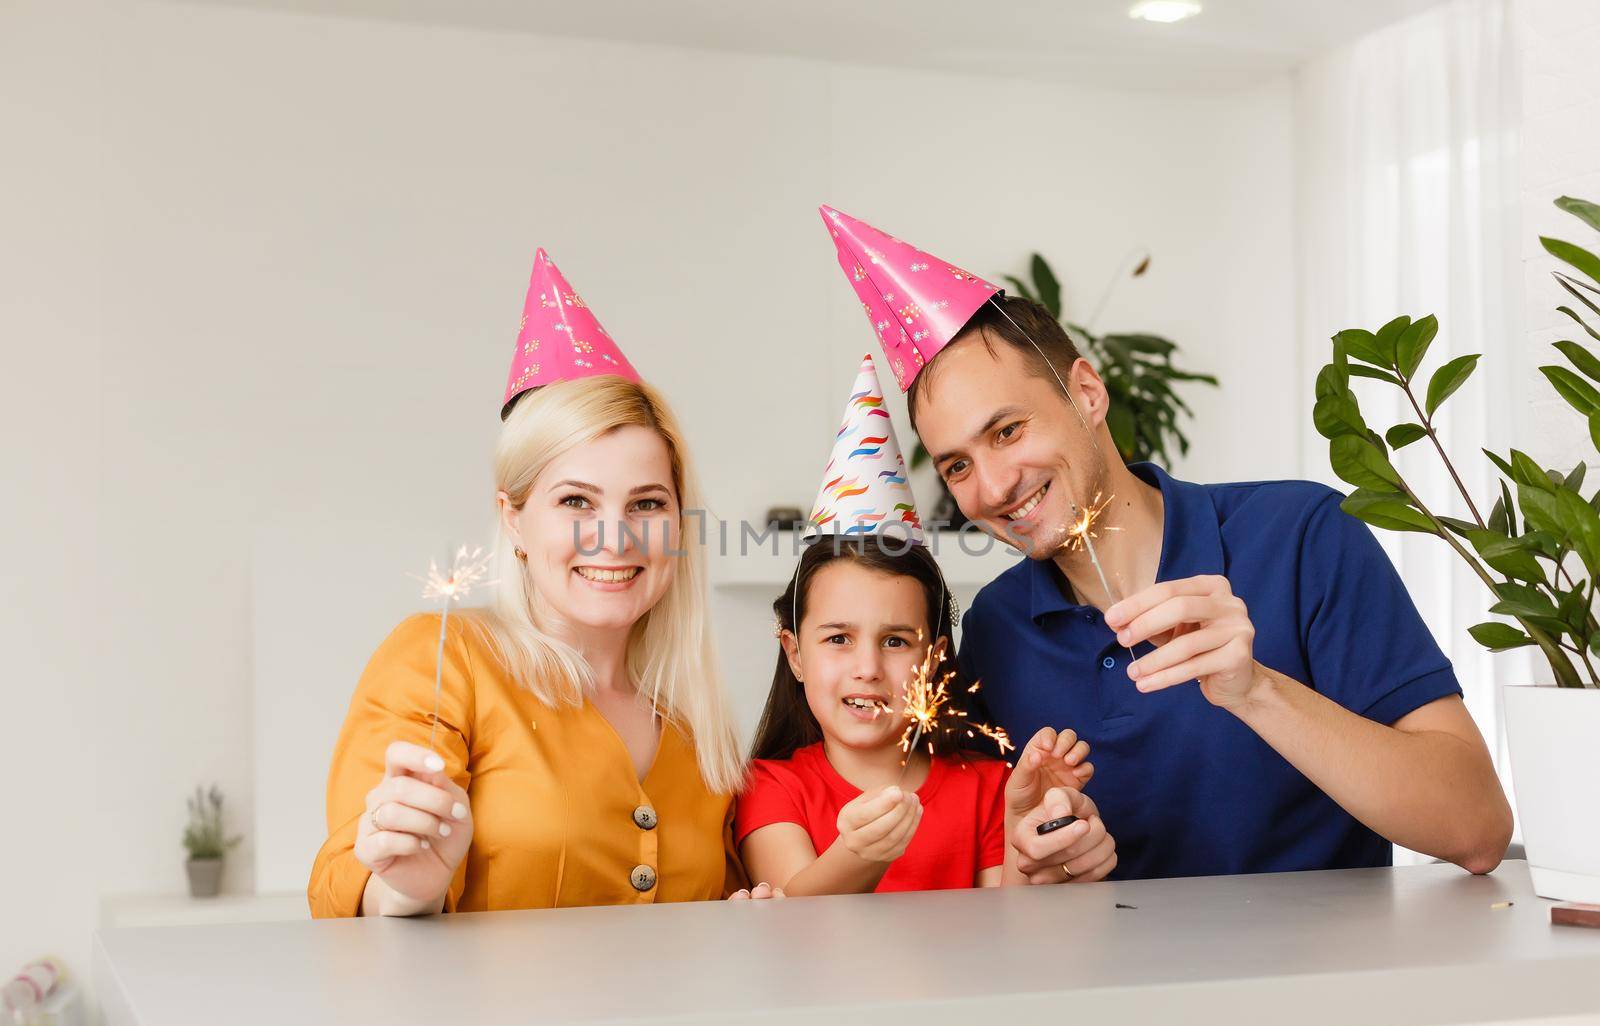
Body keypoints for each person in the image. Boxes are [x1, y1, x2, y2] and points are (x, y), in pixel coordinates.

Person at [817, 206, 1513, 880]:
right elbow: (994, 881)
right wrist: (1037, 857)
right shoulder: (996, 631)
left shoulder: (1302, 537)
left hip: (1322, 995)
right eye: (957, 465)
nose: (994, 486)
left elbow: (1477, 829)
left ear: (1087, 392)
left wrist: (1257, 690)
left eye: (1008, 431)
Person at [308, 249, 754, 916]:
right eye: (576, 501)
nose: (617, 537)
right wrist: (405, 886)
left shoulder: (696, 726)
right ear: (512, 519)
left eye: (647, 504)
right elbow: (351, 890)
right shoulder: (441, 660)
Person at [736, 355, 1110, 894]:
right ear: (794, 653)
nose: (867, 668)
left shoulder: (986, 788)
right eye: (838, 639)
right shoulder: (771, 787)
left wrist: (1027, 822)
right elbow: (793, 922)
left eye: (894, 641)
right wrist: (859, 855)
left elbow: (1010, 934)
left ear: (933, 659)